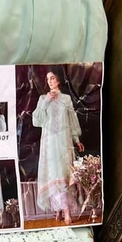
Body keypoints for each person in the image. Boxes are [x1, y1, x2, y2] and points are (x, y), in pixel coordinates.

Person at [32, 71, 84, 225]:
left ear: (59, 80)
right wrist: (47, 100)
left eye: (52, 78)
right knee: (54, 174)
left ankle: (62, 210)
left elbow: (72, 119)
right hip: (49, 143)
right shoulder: (43, 98)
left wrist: (76, 140)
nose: (49, 81)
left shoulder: (66, 99)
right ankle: (63, 210)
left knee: (64, 174)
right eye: (47, 79)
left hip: (64, 142)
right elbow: (37, 120)